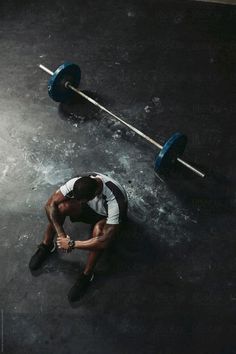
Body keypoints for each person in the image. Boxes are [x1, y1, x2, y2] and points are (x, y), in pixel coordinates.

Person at [29, 172, 128, 302]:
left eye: (81, 200)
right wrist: (61, 234)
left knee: (98, 232)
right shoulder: (77, 182)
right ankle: (47, 245)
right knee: (61, 207)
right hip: (91, 209)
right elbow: (49, 204)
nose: (77, 201)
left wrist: (71, 244)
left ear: (95, 194)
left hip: (108, 217)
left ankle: (87, 275)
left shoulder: (116, 200)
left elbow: (104, 241)